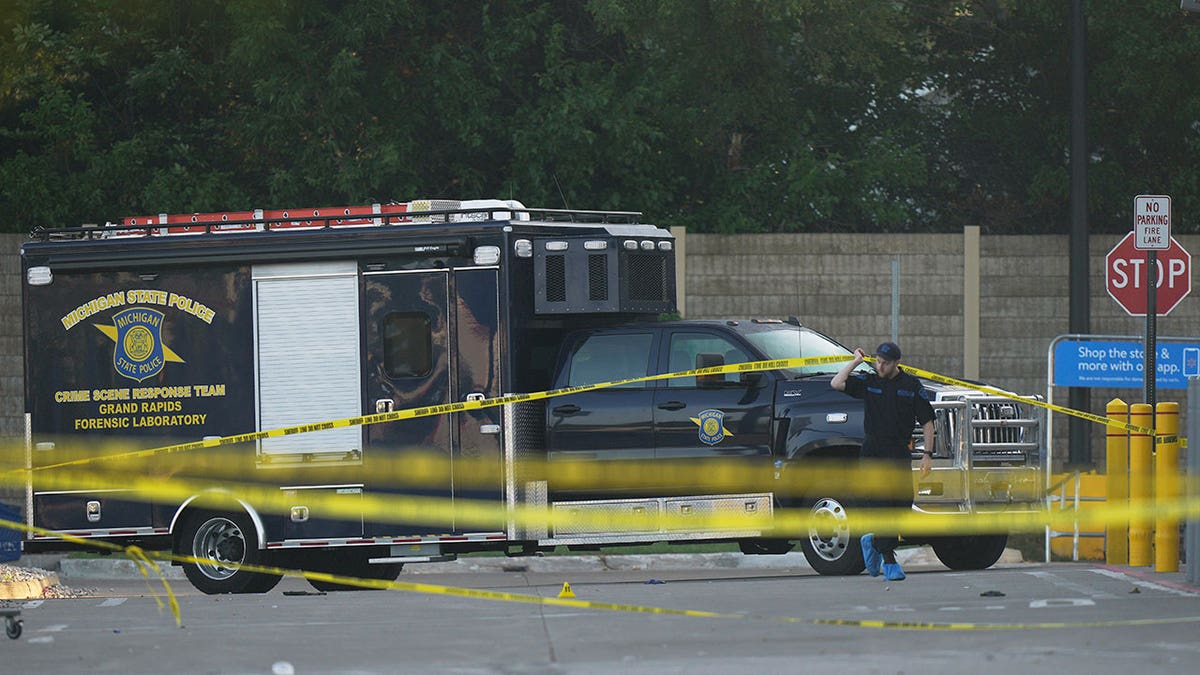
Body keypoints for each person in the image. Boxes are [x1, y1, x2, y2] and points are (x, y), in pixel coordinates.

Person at [830, 341, 934, 581]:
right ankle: (889, 561)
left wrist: (927, 455)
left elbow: (928, 421)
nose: (880, 366)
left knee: (902, 505)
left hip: (897, 452)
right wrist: (855, 362)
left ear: (897, 362)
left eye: (885, 363)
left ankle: (873, 541)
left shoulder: (910, 385)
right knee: (882, 504)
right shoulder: (870, 381)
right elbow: (836, 383)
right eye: (877, 361)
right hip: (873, 452)